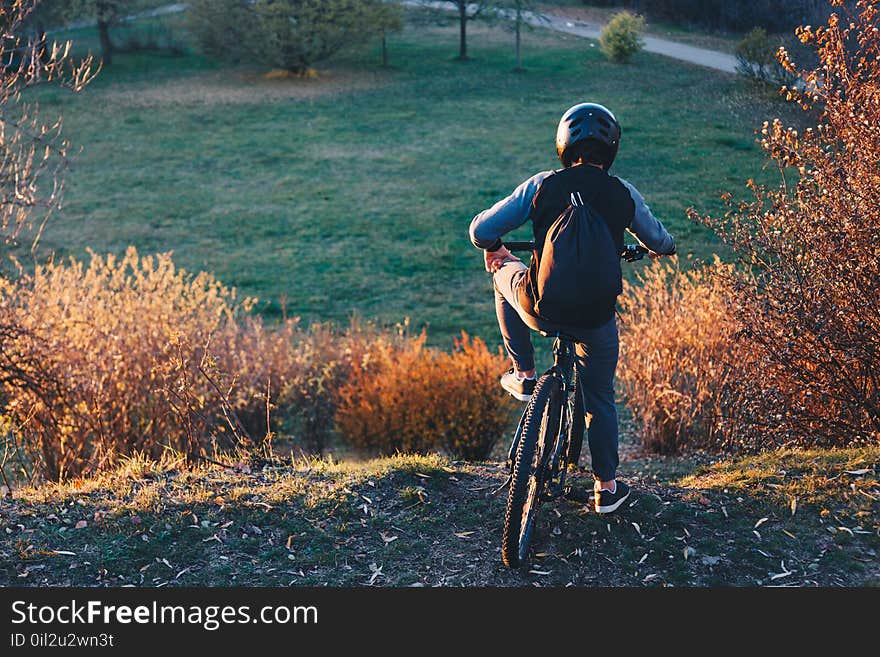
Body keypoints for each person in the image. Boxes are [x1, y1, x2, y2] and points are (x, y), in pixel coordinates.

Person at [468, 102, 676, 514]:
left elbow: (481, 230)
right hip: (596, 321)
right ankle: (606, 489)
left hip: (540, 306)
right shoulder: (623, 194)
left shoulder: (542, 185)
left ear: (562, 144)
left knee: (503, 274)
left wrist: (495, 250)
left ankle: (525, 374)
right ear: (612, 148)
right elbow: (661, 240)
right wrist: (658, 250)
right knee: (599, 395)